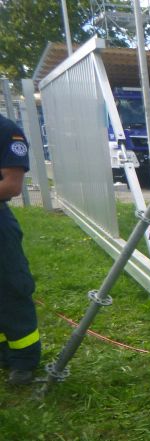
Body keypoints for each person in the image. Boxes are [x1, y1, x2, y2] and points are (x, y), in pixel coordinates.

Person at [0, 114, 41, 386]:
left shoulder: (6, 131)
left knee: (11, 287)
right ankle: (3, 352)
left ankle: (24, 360)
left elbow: (11, 185)